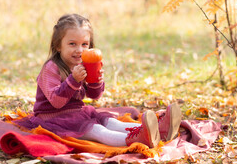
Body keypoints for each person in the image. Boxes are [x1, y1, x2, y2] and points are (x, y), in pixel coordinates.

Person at [14, 13, 181, 148]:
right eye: (72, 44)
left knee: (111, 122)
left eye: (84, 44)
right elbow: (56, 102)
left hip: (78, 113)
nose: (79, 50)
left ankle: (159, 131)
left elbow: (94, 96)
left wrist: (96, 81)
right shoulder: (51, 68)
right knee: (97, 130)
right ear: (58, 46)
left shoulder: (84, 64)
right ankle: (138, 139)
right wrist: (74, 80)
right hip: (53, 118)